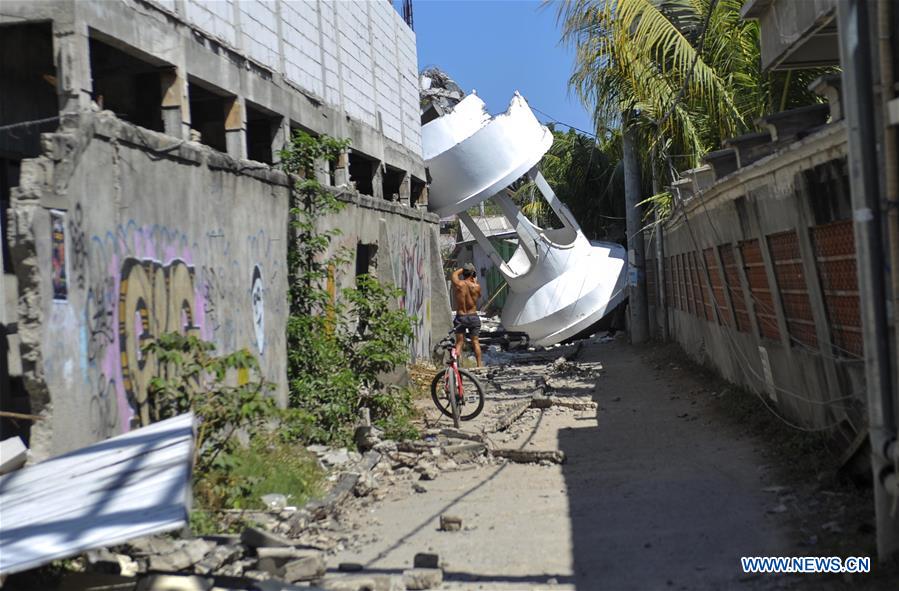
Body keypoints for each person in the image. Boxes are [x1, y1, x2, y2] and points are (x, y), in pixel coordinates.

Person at [450, 263, 482, 367]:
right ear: (473, 274)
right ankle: (479, 365)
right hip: (473, 316)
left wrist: (463, 269)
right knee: (475, 342)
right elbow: (479, 296)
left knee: (459, 342)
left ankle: (455, 365)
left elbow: (454, 274)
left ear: (463, 273)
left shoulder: (459, 284)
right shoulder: (477, 287)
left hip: (461, 316)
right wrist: (474, 278)